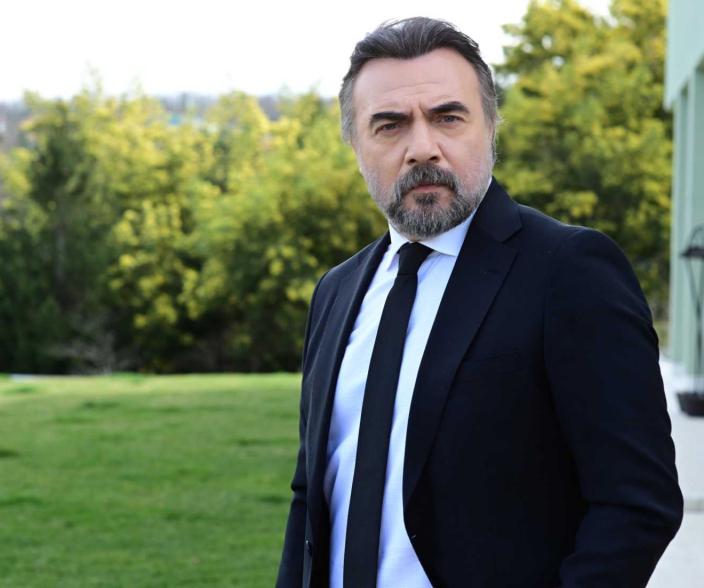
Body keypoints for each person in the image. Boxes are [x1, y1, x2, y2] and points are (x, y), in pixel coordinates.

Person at [276, 17, 683, 588]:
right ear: (356, 144)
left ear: (491, 127)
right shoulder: (337, 291)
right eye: (390, 125)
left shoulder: (569, 270)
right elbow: (310, 496)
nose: (423, 148)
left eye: (448, 117)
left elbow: (638, 504)